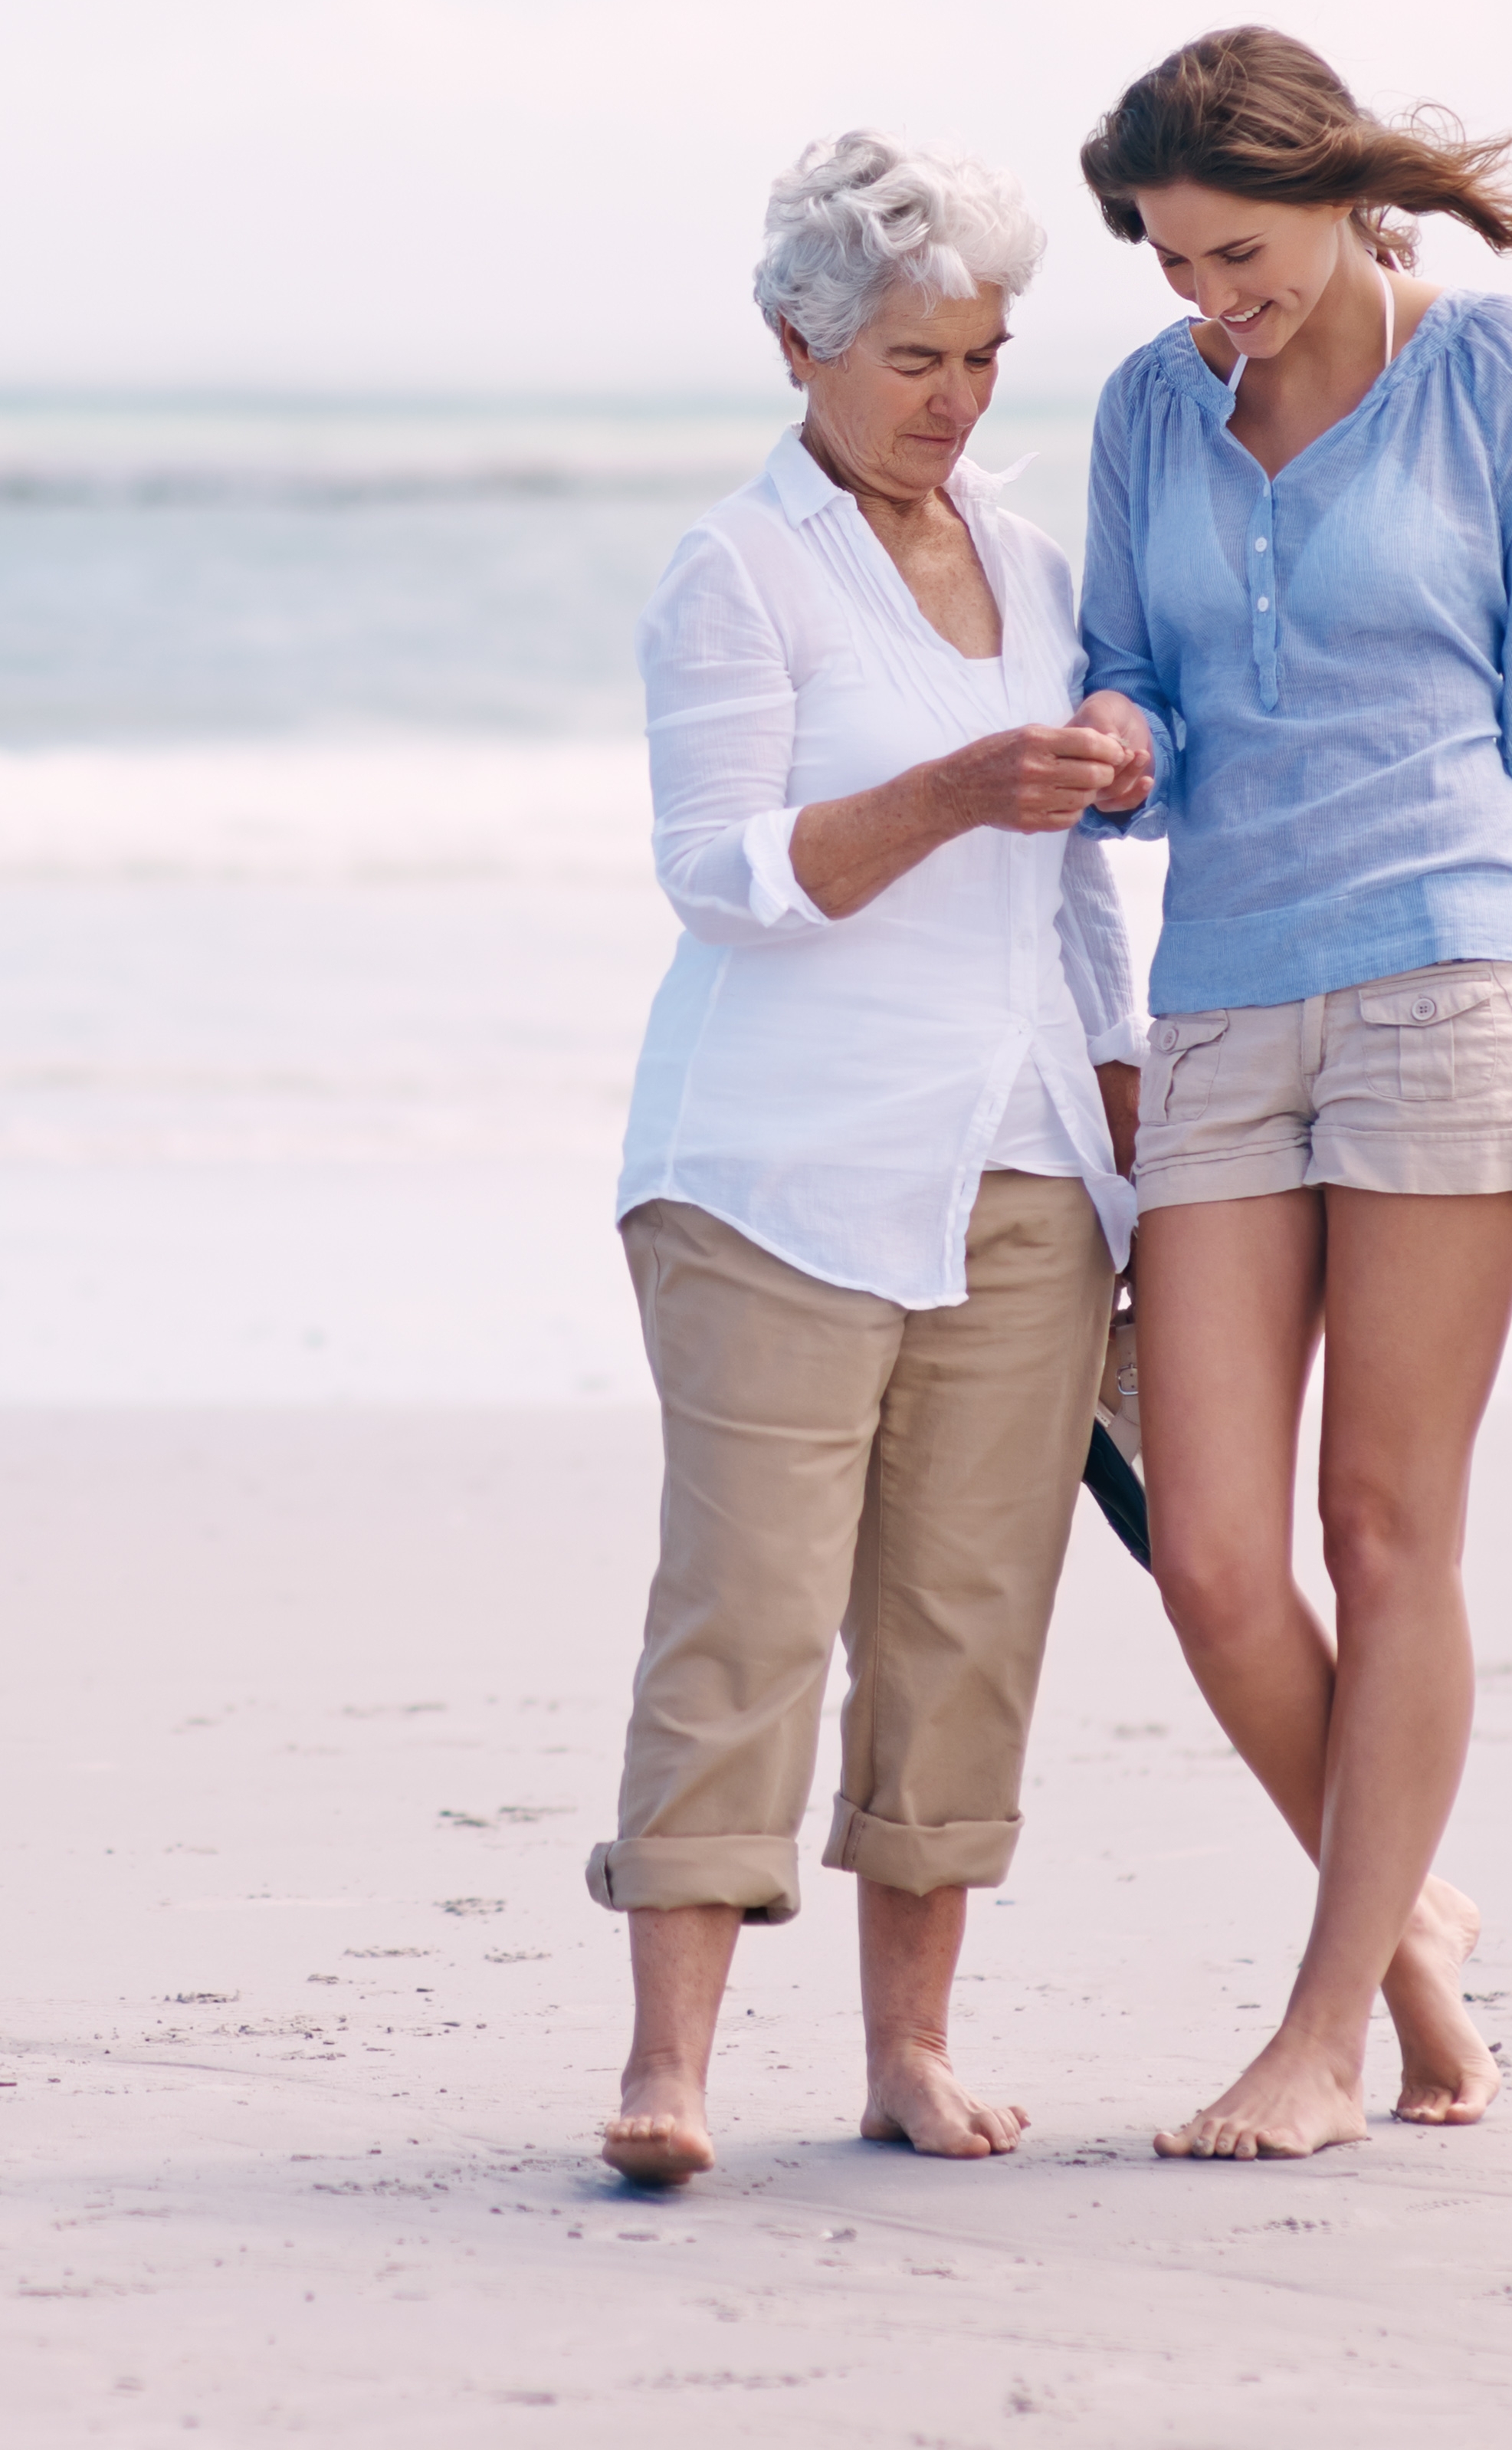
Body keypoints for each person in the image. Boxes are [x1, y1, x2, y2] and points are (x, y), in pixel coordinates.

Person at [1062, 26, 1512, 2160]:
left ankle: (1324, 2032)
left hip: (1450, 975)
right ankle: (1417, 1963)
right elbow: (1133, 664)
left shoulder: (1492, 377)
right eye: (1167, 263)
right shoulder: (1148, 411)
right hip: (1227, 1002)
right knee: (1213, 1558)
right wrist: (1116, 722)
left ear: (1347, 197)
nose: (1204, 303)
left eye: (1231, 253)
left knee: (1383, 1522)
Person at [590, 131, 1146, 2184]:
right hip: (772, 1171)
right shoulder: (733, 571)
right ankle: (668, 2062)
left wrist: (1124, 1133)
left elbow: (1078, 895)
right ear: (794, 340)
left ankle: (908, 2048)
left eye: (986, 353)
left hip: (1016, 1166)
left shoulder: (1028, 557)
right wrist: (949, 789)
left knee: (964, 1615)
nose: (955, 396)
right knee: (743, 1603)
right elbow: (721, 876)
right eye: (915, 354)